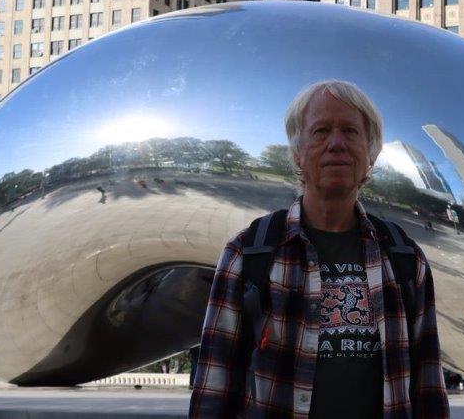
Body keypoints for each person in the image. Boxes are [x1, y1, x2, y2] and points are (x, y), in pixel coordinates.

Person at [190, 80, 449, 418]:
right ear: (297, 153)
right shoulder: (249, 253)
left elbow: (428, 387)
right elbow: (214, 387)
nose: (336, 143)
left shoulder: (404, 258)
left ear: (371, 154)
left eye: (351, 131)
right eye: (321, 131)